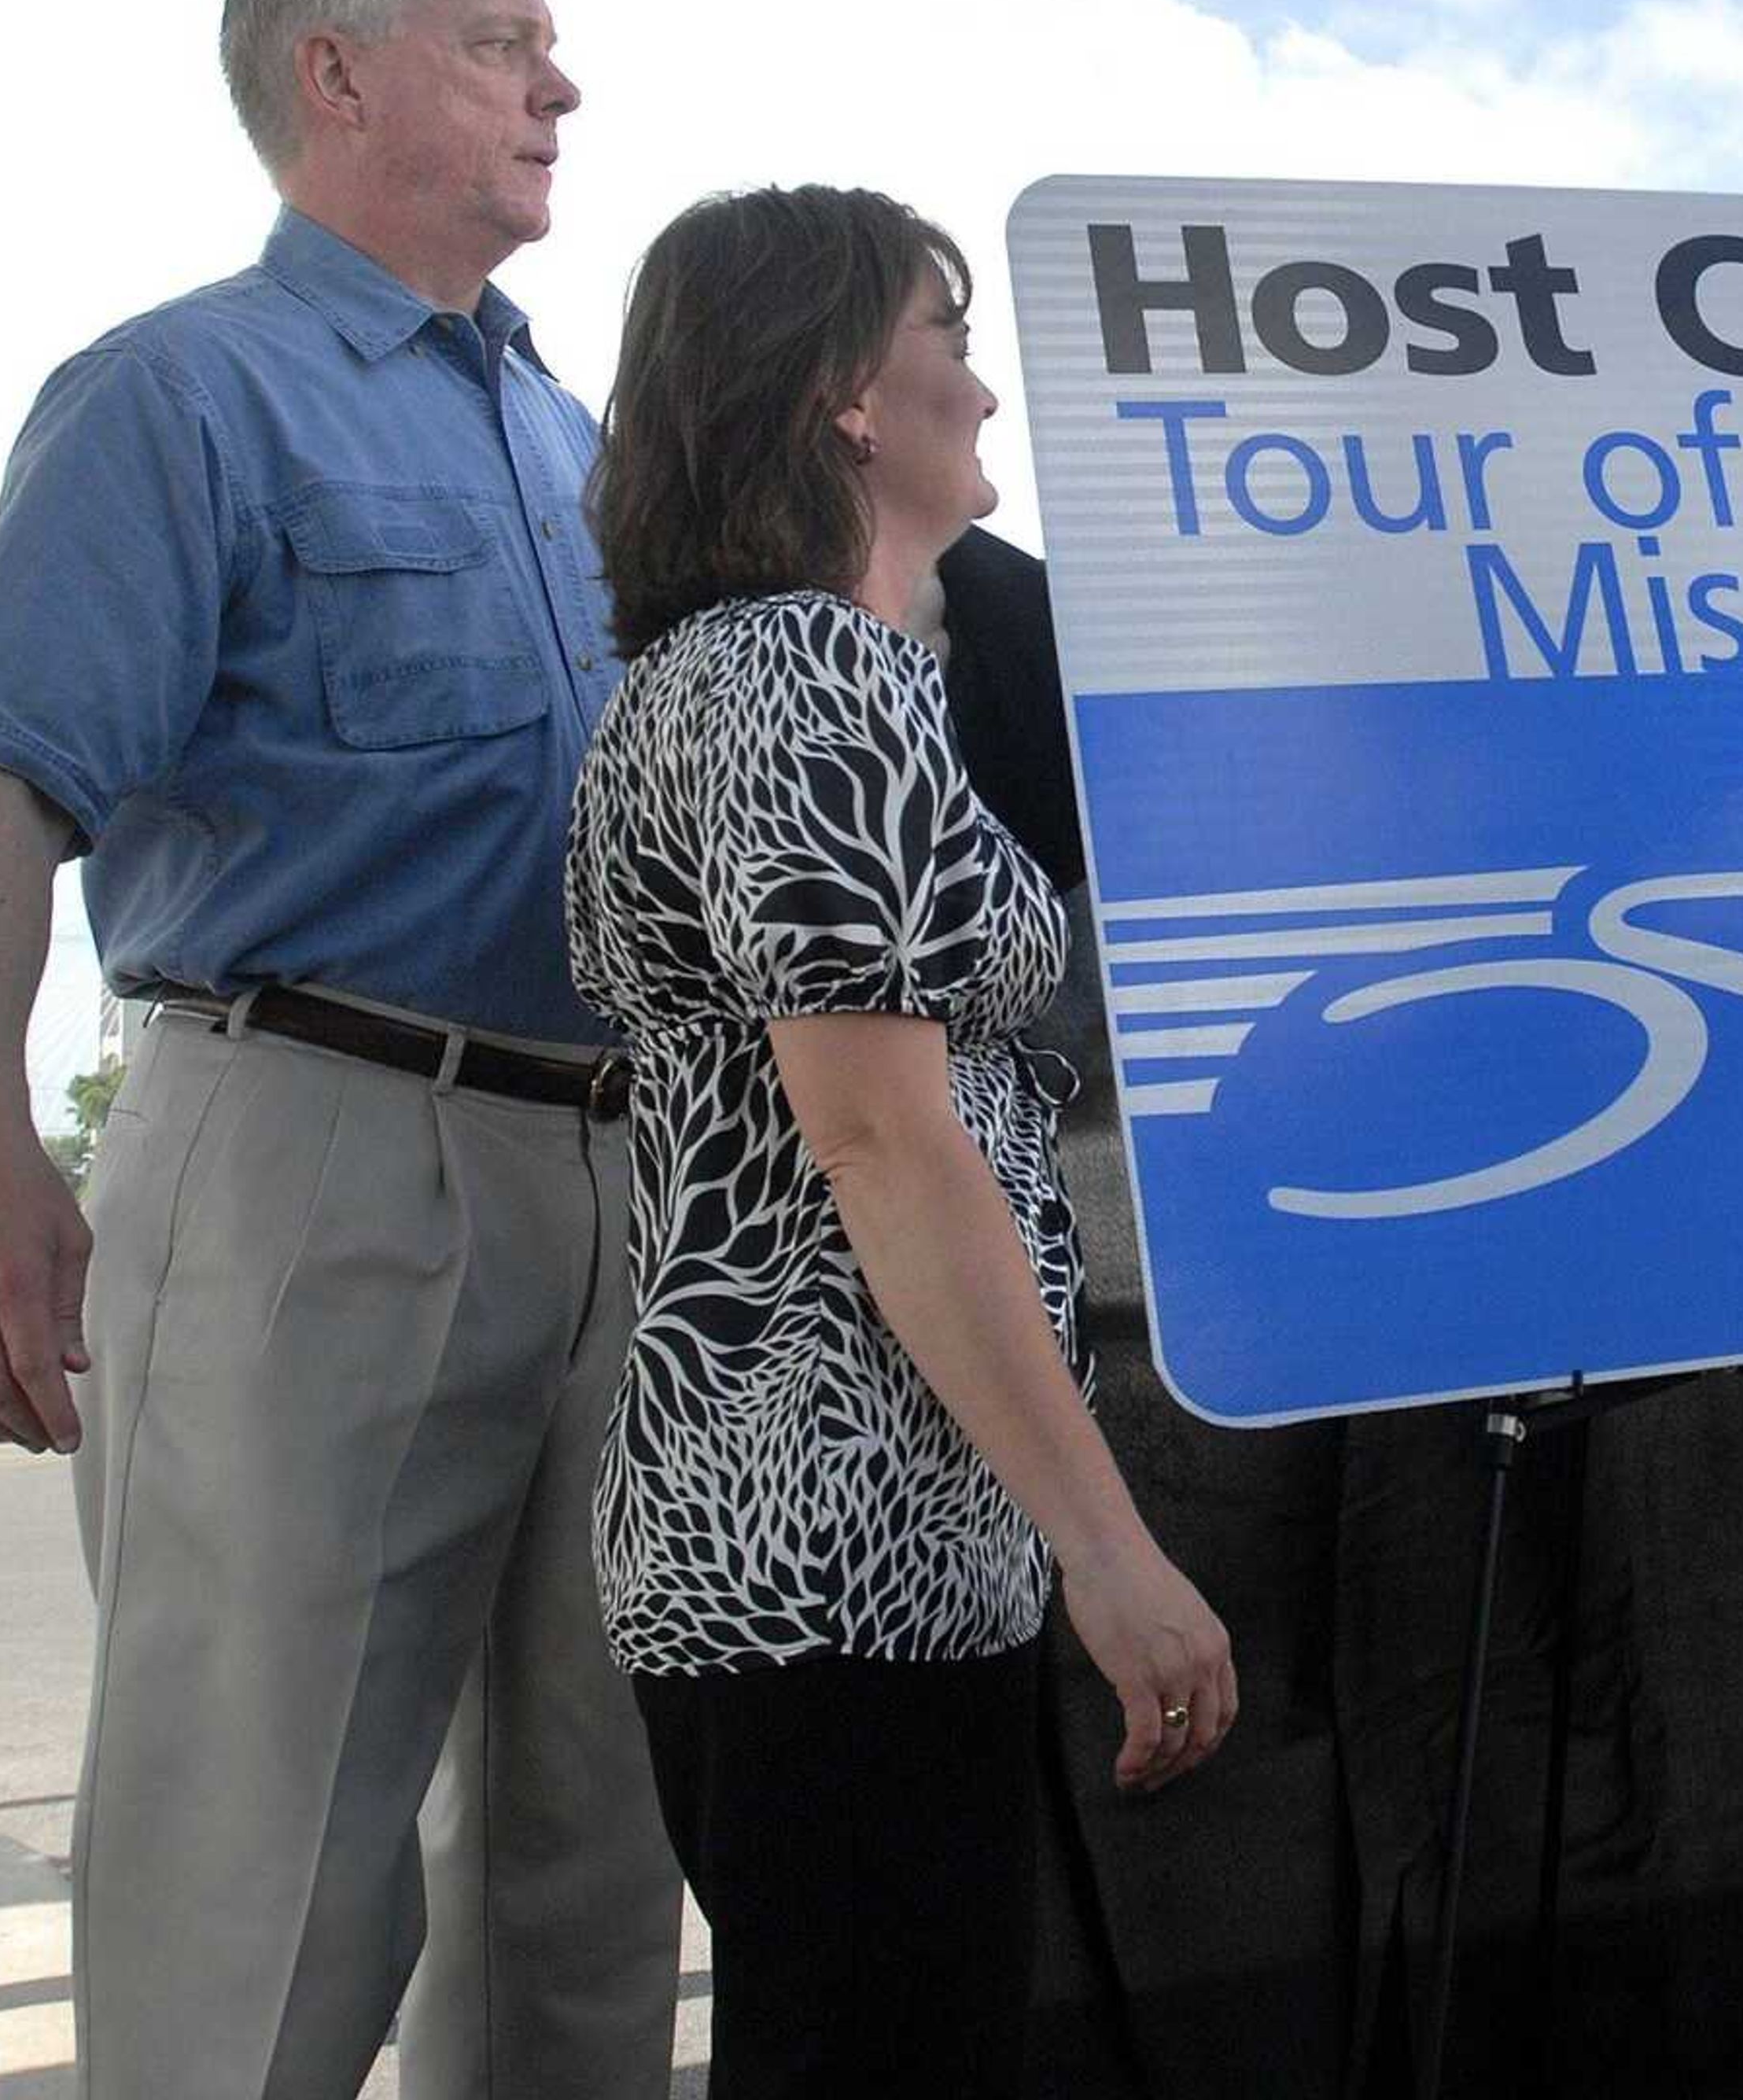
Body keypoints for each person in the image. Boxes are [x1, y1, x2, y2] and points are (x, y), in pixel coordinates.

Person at [0, 0, 680, 2097]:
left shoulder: (577, 442)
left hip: (620, 1178)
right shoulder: (175, 394)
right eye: (501, 40)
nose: (562, 79)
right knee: (264, 1877)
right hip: (318, 1159)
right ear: (335, 78)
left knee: (586, 1876)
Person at [565, 183, 1236, 2095]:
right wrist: (1108, 1552)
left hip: (845, 1542)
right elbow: (882, 1141)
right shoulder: (803, 675)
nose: (984, 382)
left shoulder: (767, 678)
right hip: (823, 1536)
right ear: (849, 393)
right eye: (946, 327)